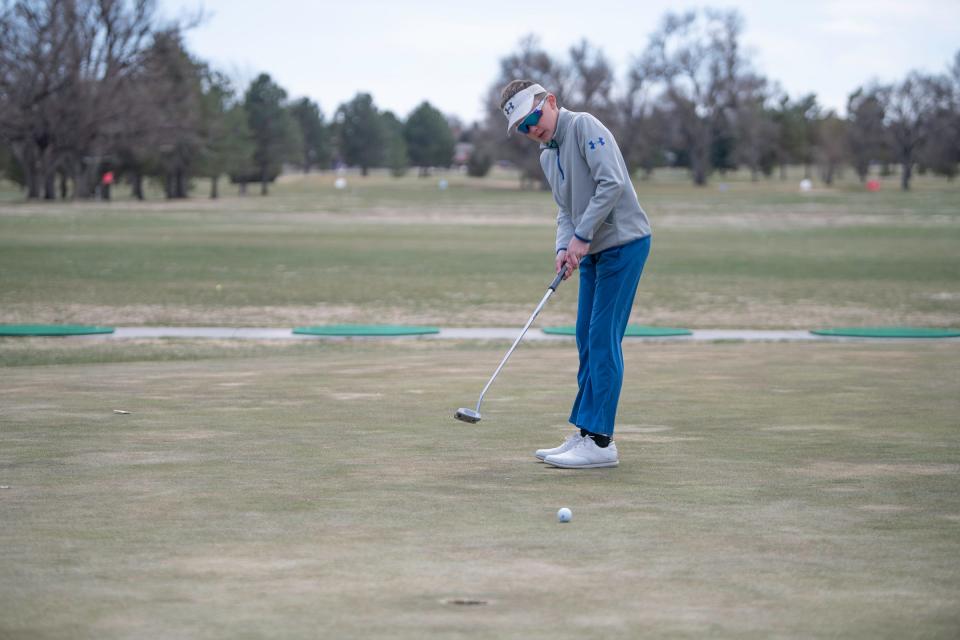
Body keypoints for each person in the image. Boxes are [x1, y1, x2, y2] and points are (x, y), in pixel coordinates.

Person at [499, 80, 652, 469]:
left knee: (603, 338)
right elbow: (564, 211)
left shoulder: (584, 126)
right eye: (523, 127)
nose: (532, 129)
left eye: (533, 117)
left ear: (550, 102)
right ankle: (585, 431)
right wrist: (564, 247)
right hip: (593, 249)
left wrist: (582, 237)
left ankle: (601, 443)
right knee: (585, 337)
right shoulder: (547, 157)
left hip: (624, 243)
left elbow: (612, 183)